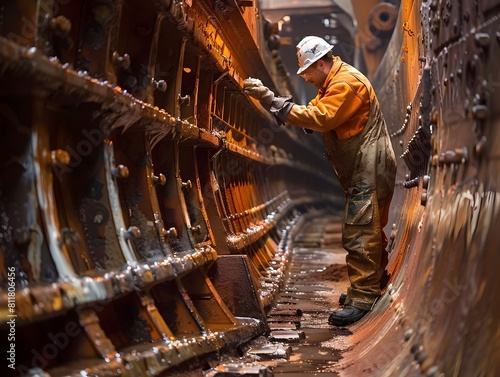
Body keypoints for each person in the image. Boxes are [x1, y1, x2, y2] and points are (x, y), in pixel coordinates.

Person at [244, 36, 397, 326]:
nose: (306, 77)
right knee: (369, 225)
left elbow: (320, 117)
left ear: (322, 64)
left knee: (360, 230)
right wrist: (287, 109)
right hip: (363, 165)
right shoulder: (331, 82)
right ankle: (369, 282)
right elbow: (312, 112)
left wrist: (268, 98)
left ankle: (364, 298)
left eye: (307, 72)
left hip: (370, 165)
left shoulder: (346, 84)